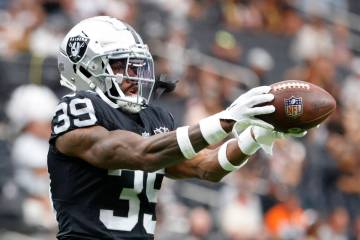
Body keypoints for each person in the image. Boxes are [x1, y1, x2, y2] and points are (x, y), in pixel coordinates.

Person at [48, 16, 293, 239]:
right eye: (122, 65)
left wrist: (253, 136)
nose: (134, 74)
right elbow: (140, 153)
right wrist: (226, 120)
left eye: (136, 65)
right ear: (86, 70)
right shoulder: (78, 108)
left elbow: (207, 167)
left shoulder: (154, 118)